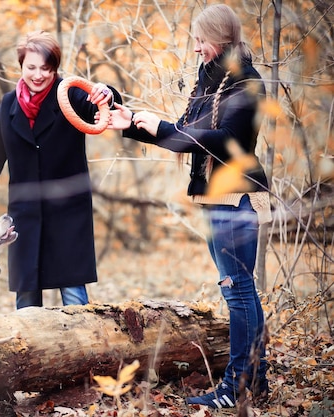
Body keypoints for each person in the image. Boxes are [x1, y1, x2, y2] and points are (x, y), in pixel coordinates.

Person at [104, 4, 270, 409]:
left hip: (237, 198)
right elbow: (183, 135)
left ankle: (237, 386)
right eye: (195, 41)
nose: (196, 49)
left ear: (221, 38)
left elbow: (225, 139)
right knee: (242, 292)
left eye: (202, 41)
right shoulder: (208, 81)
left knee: (240, 293)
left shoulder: (246, 83)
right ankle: (255, 381)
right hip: (217, 200)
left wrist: (162, 127)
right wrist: (131, 124)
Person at [0, 30, 121, 310]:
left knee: (75, 300)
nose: (37, 75)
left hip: (68, 215)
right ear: (21, 66)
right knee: (26, 302)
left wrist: (105, 92)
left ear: (55, 68)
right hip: (25, 218)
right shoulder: (9, 104)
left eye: (45, 69)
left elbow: (101, 101)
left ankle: (83, 353)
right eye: (31, 67)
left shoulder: (69, 95)